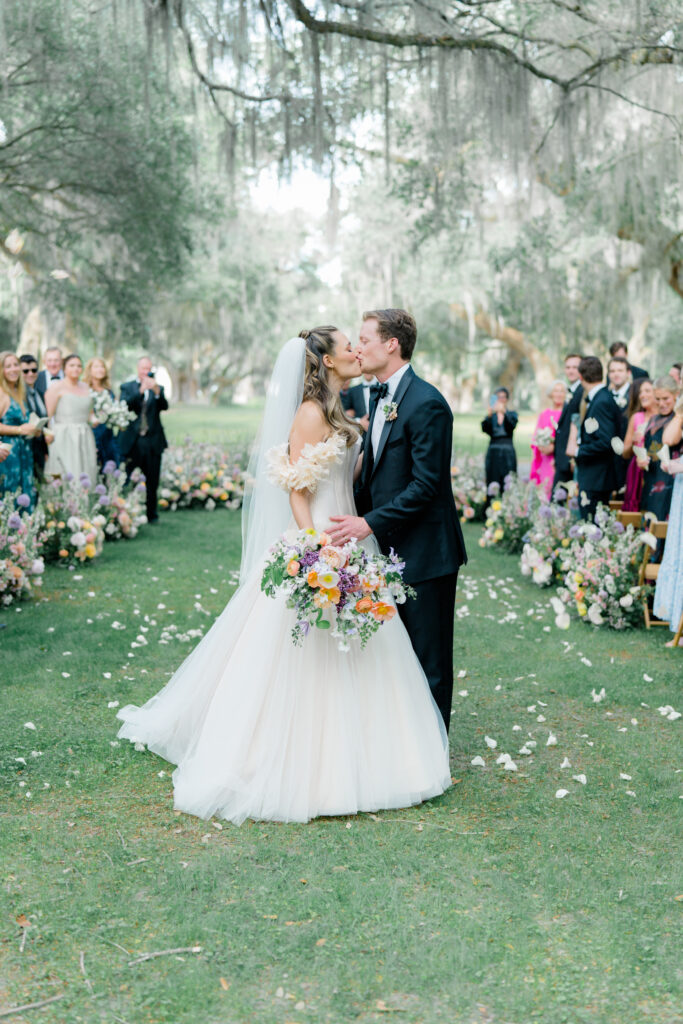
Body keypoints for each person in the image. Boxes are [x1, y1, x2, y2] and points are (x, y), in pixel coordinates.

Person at [117, 328, 451, 825]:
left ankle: (372, 749)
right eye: (348, 345)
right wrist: (317, 550)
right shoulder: (311, 413)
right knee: (306, 653)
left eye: (362, 342)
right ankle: (297, 756)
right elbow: (297, 490)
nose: (357, 350)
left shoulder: (341, 408)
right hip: (324, 540)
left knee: (366, 644)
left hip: (353, 537)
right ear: (327, 361)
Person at [328, 308, 467, 731]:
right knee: (394, 657)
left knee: (429, 659)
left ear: (392, 344)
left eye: (365, 339)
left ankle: (434, 751)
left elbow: (426, 486)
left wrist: (367, 523)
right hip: (385, 550)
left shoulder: (427, 404)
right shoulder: (377, 397)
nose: (357, 347)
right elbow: (375, 475)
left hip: (426, 554)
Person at [119, 357, 168, 524]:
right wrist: (140, 391)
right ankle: (123, 513)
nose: (145, 371)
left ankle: (151, 514)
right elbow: (124, 405)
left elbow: (164, 406)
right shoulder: (127, 387)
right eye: (143, 368)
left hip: (153, 441)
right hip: (133, 442)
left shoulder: (158, 388)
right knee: (125, 479)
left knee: (152, 480)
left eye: (148, 368)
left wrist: (155, 391)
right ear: (138, 368)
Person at [575, 355, 621, 520]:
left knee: (591, 527)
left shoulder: (601, 401)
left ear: (581, 377)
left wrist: (579, 450)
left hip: (597, 478)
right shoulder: (602, 397)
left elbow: (605, 442)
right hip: (597, 476)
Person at [44, 354, 98, 484]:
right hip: (63, 436)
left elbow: (90, 413)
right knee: (68, 472)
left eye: (79, 366)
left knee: (86, 471)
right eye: (72, 365)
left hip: (84, 435)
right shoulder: (56, 388)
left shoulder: (86, 387)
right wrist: (48, 435)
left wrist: (96, 419)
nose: (76, 369)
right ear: (64, 368)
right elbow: (47, 416)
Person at [637, 376, 682, 523]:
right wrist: (641, 460)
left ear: (676, 394)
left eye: (666, 398)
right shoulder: (653, 419)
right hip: (651, 478)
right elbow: (649, 449)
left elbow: (669, 441)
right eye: (657, 399)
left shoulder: (678, 419)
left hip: (669, 481)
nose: (661, 403)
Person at [0, 351, 40, 508]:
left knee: (25, 496)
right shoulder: (2, 394)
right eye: (7, 366)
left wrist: (33, 430)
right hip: (8, 455)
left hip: (25, 453)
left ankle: (25, 532)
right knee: (10, 496)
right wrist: (19, 430)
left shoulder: (19, 393)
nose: (13, 369)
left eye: (15, 365)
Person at [621, 378, 656, 512]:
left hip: (656, 469)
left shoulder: (665, 417)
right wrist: (634, 443)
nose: (642, 395)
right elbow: (625, 452)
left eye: (647, 391)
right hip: (636, 471)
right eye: (641, 392)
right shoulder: (636, 417)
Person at [551, 353, 583, 500]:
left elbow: (579, 426)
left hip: (570, 458)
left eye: (575, 367)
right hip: (562, 456)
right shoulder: (571, 391)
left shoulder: (582, 392)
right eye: (568, 367)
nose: (571, 371)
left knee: (562, 501)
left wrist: (573, 457)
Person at [529, 380, 566, 498]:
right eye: (556, 391)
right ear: (551, 394)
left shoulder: (566, 414)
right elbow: (536, 436)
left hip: (559, 458)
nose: (559, 394)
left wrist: (554, 448)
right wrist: (542, 447)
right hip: (544, 458)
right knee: (544, 491)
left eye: (562, 391)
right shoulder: (544, 415)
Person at [85, 357, 121, 468]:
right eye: (96, 366)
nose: (100, 369)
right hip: (91, 434)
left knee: (111, 468)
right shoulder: (84, 389)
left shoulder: (109, 391)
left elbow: (116, 410)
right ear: (89, 370)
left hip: (108, 436)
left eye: (102, 367)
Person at [19, 354, 50, 481]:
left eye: (34, 370)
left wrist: (46, 451)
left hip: (39, 451)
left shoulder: (41, 394)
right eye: (25, 371)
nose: (30, 374)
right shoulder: (17, 396)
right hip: (23, 449)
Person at [481, 386, 518, 493]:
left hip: (508, 451)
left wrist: (504, 413)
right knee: (492, 479)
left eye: (503, 397)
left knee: (509, 481)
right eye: (498, 397)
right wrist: (488, 415)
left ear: (507, 399)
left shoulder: (512, 415)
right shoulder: (491, 416)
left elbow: (511, 427)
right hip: (493, 451)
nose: (501, 399)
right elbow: (485, 429)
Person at [607, 355, 632, 492]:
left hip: (628, 458)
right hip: (609, 460)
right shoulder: (605, 395)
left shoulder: (635, 395)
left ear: (628, 373)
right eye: (612, 371)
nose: (616, 374)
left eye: (620, 370)